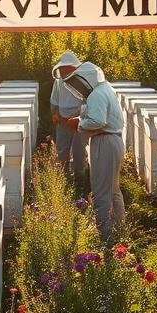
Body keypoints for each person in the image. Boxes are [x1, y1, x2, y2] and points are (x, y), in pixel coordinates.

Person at [62, 62, 125, 242]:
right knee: (113, 190)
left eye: (79, 83)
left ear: (87, 79)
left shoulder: (96, 94)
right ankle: (119, 233)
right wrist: (81, 119)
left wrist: (79, 124)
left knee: (101, 193)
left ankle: (106, 239)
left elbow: (97, 121)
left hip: (104, 141)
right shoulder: (105, 89)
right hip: (111, 140)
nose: (78, 87)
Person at [50, 50, 86, 185]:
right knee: (62, 149)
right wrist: (55, 114)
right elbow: (54, 100)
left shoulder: (82, 81)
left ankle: (80, 179)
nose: (65, 70)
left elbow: (87, 102)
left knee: (79, 150)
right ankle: (63, 178)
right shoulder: (58, 82)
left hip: (78, 121)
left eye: (67, 67)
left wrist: (80, 118)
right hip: (62, 121)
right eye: (63, 68)